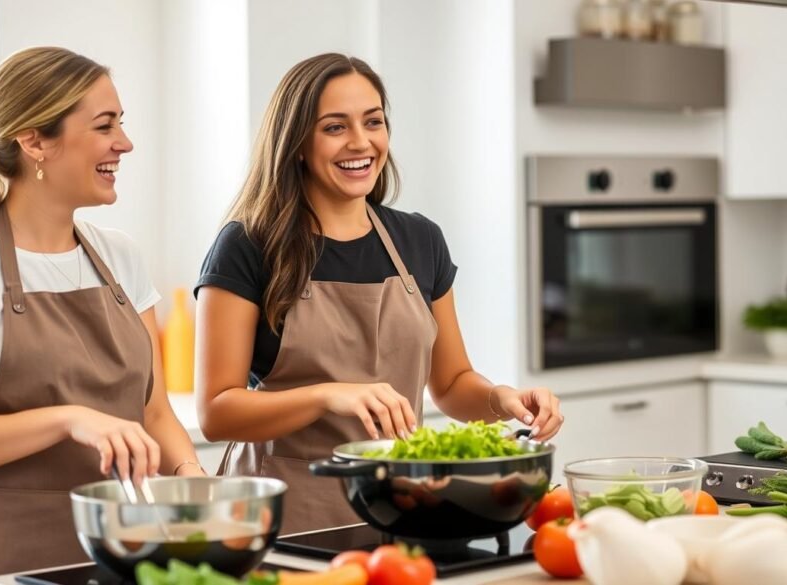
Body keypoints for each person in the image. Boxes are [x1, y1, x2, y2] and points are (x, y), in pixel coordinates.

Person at [194, 53, 564, 535]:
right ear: (297, 142)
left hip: (398, 505)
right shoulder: (247, 245)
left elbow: (451, 383)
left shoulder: (419, 241)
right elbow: (217, 412)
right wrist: (329, 396)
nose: (361, 142)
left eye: (374, 122)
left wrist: (504, 399)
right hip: (282, 513)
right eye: (334, 127)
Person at [0, 47, 203, 584]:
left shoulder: (120, 256)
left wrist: (192, 480)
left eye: (121, 124)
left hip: (119, 549)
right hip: (0, 555)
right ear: (35, 141)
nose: (124, 143)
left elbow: (153, 413)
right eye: (104, 125)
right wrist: (70, 418)